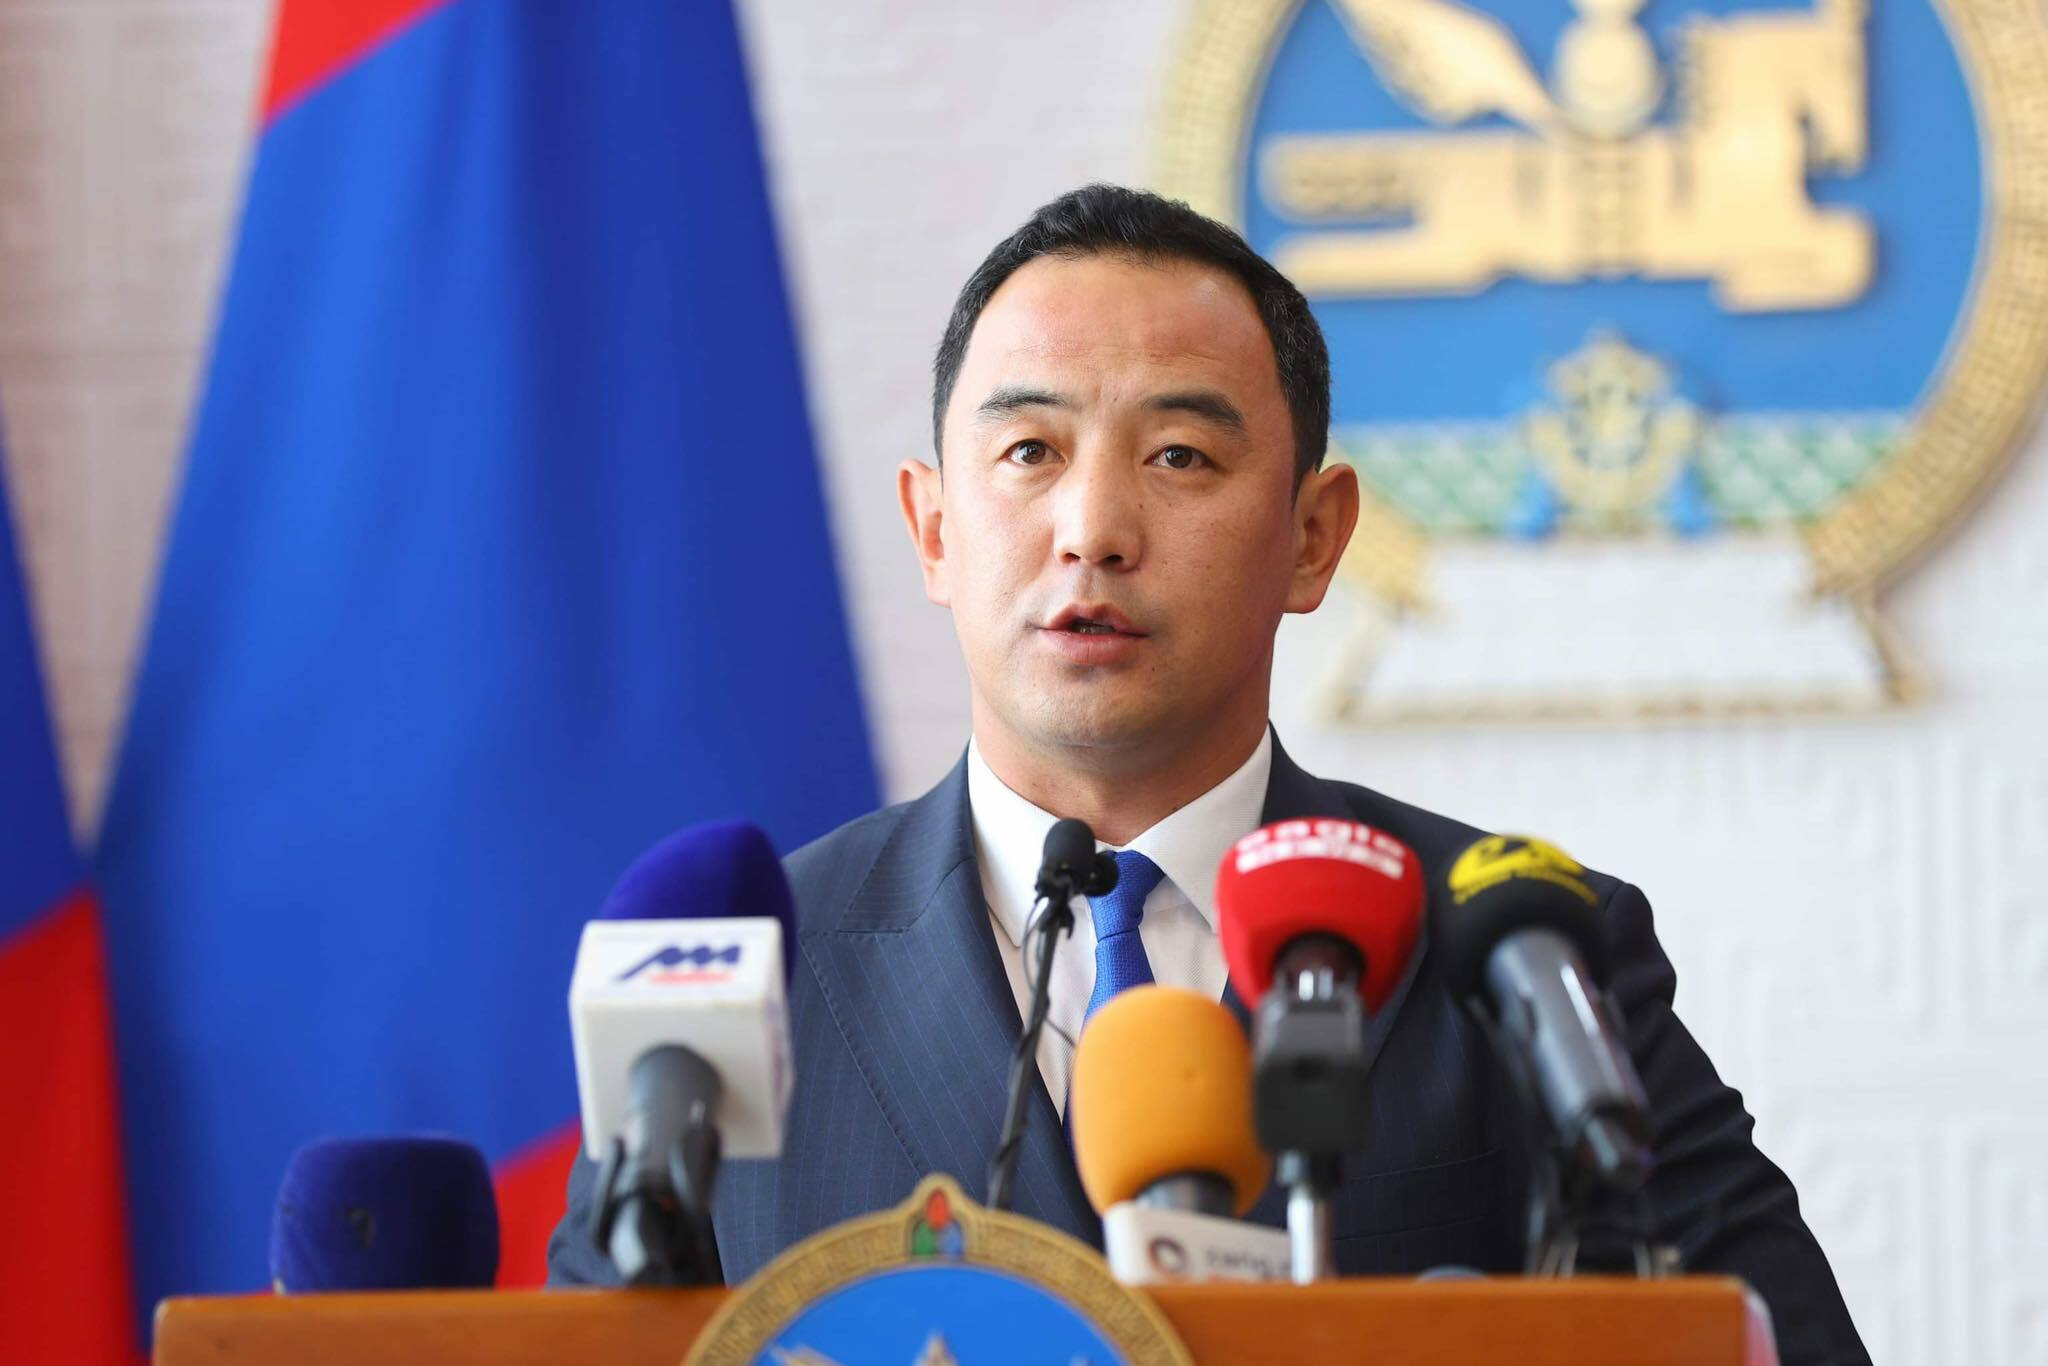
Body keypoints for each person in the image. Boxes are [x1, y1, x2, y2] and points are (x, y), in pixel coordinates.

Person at [548, 184, 1867, 1363]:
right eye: (1029, 452)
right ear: (935, 528)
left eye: (1179, 455)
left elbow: (1772, 1339)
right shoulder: (742, 978)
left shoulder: (1525, 948)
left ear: (1313, 536)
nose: (1093, 529)